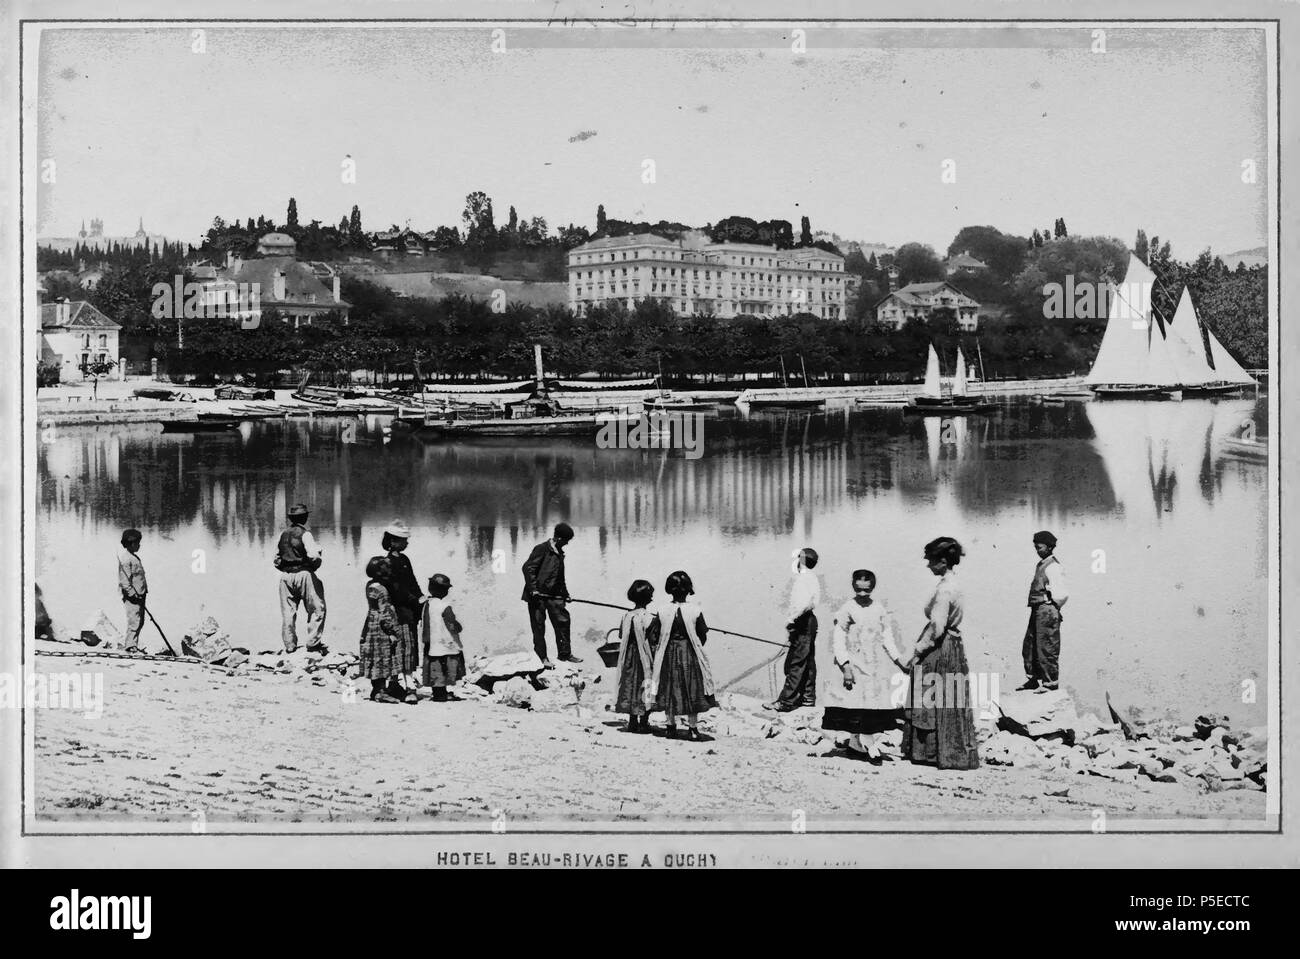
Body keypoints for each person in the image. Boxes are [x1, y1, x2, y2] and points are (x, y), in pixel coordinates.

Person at [899, 537, 980, 770]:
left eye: (931, 562)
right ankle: (952, 750)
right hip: (953, 645)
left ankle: (929, 753)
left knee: (928, 695)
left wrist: (918, 650)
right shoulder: (955, 584)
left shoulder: (945, 590)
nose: (928, 566)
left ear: (942, 562)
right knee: (949, 697)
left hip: (940, 647)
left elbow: (937, 626)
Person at [822, 569, 906, 764]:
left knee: (871, 708)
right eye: (858, 590)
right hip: (854, 664)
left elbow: (888, 639)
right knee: (855, 708)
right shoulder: (846, 609)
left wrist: (899, 661)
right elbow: (838, 640)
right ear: (853, 587)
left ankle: (854, 746)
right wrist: (845, 667)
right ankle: (871, 748)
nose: (862, 595)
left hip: (875, 666)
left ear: (872, 589)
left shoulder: (879, 609)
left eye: (866, 591)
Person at [649, 571, 717, 741]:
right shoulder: (695, 610)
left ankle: (670, 727)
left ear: (669, 590)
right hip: (689, 654)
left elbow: (653, 635)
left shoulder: (662, 610)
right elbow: (702, 635)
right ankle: (693, 729)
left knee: (669, 687)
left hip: (668, 654)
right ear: (688, 590)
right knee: (691, 688)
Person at [765, 547, 821, 712]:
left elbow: (802, 604)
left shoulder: (803, 579)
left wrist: (791, 620)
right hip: (810, 621)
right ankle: (808, 699)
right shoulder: (813, 578)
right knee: (808, 661)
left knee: (796, 663)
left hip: (802, 622)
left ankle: (786, 702)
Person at [521, 522, 581, 667]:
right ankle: (542, 658)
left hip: (554, 596)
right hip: (538, 597)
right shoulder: (542, 549)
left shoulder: (559, 554)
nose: (567, 544)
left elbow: (560, 577)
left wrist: (565, 594)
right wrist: (534, 589)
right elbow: (528, 568)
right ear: (559, 538)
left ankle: (565, 654)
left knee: (563, 622)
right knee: (539, 627)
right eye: (566, 541)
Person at [1019, 530, 1069, 692]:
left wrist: (1051, 606)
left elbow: (1061, 594)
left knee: (1047, 646)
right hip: (1038, 610)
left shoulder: (1053, 567)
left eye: (1039, 547)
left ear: (1048, 547)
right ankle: (1033, 679)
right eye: (1035, 547)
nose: (1037, 550)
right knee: (1030, 645)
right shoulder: (1042, 564)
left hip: (1047, 610)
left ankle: (1050, 683)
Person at [274, 503, 326, 654]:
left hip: (286, 576)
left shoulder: (283, 534)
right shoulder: (306, 534)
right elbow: (314, 556)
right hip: (304, 574)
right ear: (304, 518)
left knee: (288, 612)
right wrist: (314, 566)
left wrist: (286, 568)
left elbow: (276, 559)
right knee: (317, 608)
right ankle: (313, 643)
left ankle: (290, 645)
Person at [382, 520, 424, 703]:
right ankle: (408, 688)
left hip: (409, 611)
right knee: (402, 649)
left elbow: (413, 583)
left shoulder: (404, 560)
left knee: (407, 649)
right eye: (402, 540)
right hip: (399, 612)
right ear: (392, 542)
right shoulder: (388, 563)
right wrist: (415, 600)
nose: (406, 543)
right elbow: (397, 590)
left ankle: (398, 685)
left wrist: (421, 599)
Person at [613, 579, 661, 734]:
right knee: (647, 685)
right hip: (645, 658)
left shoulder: (626, 616)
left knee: (630, 686)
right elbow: (654, 640)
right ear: (648, 598)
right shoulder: (650, 618)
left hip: (629, 658)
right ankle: (644, 721)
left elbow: (621, 634)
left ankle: (632, 721)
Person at [359, 556, 402, 704]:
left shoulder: (370, 585)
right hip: (381, 628)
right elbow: (385, 613)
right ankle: (381, 692)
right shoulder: (382, 590)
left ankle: (376, 690)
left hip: (371, 623)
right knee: (384, 656)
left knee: (374, 656)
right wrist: (392, 632)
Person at [422, 573, 465, 702]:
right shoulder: (445, 606)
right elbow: (451, 623)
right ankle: (443, 693)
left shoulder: (427, 604)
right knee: (446, 666)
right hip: (445, 642)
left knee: (435, 668)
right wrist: (458, 627)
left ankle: (438, 692)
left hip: (431, 642)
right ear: (444, 590)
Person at [117, 529, 148, 652]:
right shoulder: (126, 559)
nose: (139, 545)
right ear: (130, 544)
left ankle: (133, 644)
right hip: (132, 597)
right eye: (137, 543)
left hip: (140, 595)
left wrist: (141, 593)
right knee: (134, 620)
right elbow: (124, 581)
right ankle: (130, 646)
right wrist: (132, 594)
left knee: (140, 621)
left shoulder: (134, 557)